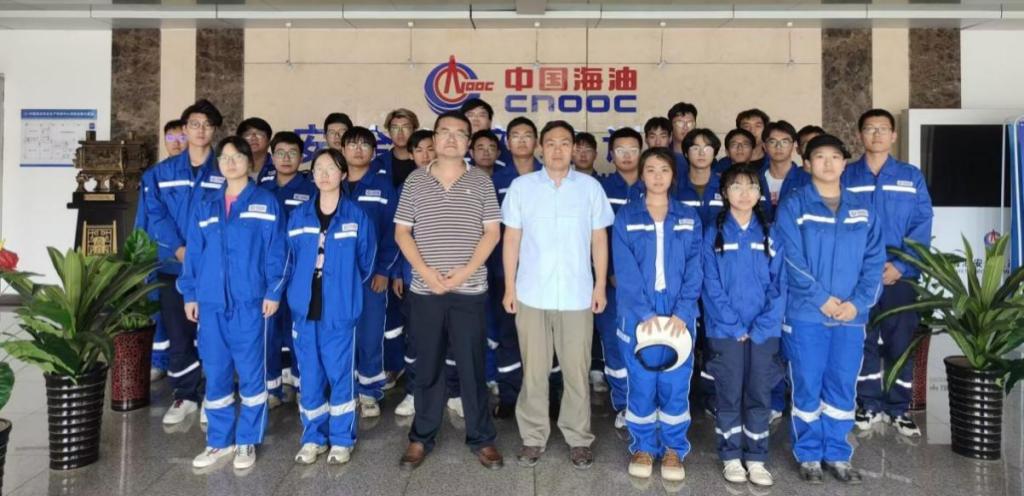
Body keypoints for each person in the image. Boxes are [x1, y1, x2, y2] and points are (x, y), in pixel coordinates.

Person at [502, 120, 614, 470]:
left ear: (574, 148)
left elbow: (599, 239)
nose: (557, 150)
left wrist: (599, 285)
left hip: (577, 294)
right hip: (531, 293)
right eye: (550, 143)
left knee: (576, 371)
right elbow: (511, 239)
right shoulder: (522, 187)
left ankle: (578, 439)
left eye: (565, 143)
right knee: (534, 370)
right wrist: (509, 286)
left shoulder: (590, 188)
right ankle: (533, 437)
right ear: (540, 147)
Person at [394, 111, 503, 470]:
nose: (452, 139)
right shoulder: (415, 181)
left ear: (469, 142)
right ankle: (421, 437)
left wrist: (464, 273)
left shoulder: (481, 181)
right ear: (435, 138)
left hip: (469, 290)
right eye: (445, 132)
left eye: (460, 133)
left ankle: (482, 438)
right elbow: (402, 232)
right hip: (425, 291)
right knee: (427, 366)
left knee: (472, 367)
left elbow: (492, 232)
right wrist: (426, 272)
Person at [774, 134, 884, 484]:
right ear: (807, 164)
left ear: (844, 163)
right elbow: (790, 258)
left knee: (842, 385)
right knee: (807, 383)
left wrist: (858, 303)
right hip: (807, 314)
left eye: (835, 157)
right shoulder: (794, 206)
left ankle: (837, 452)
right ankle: (808, 454)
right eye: (819, 157)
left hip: (850, 317)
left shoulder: (862, 209)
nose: (828, 163)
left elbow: (874, 261)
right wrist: (820, 298)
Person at [179, 135, 287, 470]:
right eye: (224, 157)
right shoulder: (206, 205)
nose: (230, 162)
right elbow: (194, 254)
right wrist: (190, 294)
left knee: (252, 375)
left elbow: (277, 251)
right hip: (211, 304)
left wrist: (273, 292)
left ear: (249, 162)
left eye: (237, 157)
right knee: (216, 373)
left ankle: (247, 440)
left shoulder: (265, 202)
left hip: (250, 303)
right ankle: (218, 442)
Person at [613, 148, 702, 482]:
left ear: (673, 175)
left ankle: (674, 449)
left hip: (679, 311)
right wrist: (644, 311)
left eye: (664, 169)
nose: (657, 176)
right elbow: (625, 269)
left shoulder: (688, 216)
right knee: (641, 382)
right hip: (639, 312)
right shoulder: (627, 216)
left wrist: (683, 310)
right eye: (650, 169)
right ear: (642, 175)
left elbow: (695, 266)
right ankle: (643, 447)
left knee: (675, 383)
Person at [845, 109, 933, 437]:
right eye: (870, 128)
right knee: (862, 339)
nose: (877, 134)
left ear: (894, 135)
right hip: (857, 277)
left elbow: (922, 224)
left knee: (900, 341)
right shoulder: (847, 176)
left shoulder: (911, 177)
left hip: (899, 275)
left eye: (883, 129)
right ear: (860, 135)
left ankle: (898, 408)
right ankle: (867, 404)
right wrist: (860, 268)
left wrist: (901, 266)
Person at [287, 148, 376, 466]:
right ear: (312, 175)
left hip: (339, 310)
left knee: (340, 375)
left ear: (343, 174)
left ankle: (341, 439)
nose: (324, 174)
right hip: (304, 309)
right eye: (319, 168)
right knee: (309, 376)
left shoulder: (357, 216)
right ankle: (313, 437)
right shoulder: (299, 215)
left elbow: (366, 262)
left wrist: (344, 289)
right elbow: (289, 259)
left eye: (331, 168)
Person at [139, 99, 224, 426]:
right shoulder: (160, 174)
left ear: (215, 131)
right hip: (173, 267)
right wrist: (178, 249)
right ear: (185, 129)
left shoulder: (226, 169)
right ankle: (185, 395)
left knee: (213, 333)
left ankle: (214, 395)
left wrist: (203, 253)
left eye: (207, 125)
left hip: (214, 269)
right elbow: (155, 214)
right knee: (178, 333)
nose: (201, 130)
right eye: (194, 124)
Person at [701, 164, 785, 487]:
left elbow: (780, 284)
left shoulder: (769, 233)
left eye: (751, 186)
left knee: (760, 393)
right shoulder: (714, 233)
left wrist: (763, 325)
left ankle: (757, 457)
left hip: (765, 331)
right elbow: (710, 284)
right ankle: (731, 456)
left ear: (760, 193)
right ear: (725, 193)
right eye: (736, 186)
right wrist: (733, 325)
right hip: (726, 331)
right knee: (729, 393)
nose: (744, 193)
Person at [341, 126, 400, 418]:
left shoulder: (383, 186)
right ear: (342, 150)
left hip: (371, 277)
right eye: (352, 144)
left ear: (373, 152)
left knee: (370, 335)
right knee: (340, 335)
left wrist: (384, 270)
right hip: (336, 277)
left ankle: (369, 392)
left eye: (364, 145)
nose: (358, 149)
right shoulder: (330, 183)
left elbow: (393, 232)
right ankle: (344, 390)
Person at [488, 116, 545, 419]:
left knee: (546, 337)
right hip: (505, 271)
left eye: (527, 135)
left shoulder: (551, 177)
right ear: (507, 143)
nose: (522, 141)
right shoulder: (495, 181)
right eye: (515, 136)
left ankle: (550, 395)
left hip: (544, 272)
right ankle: (510, 394)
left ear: (537, 142)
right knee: (508, 335)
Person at [260, 131, 318, 406]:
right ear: (271, 157)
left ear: (301, 157)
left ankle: (303, 385)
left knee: (300, 333)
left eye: (292, 153)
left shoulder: (312, 191)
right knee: (268, 333)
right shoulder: (261, 190)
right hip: (268, 274)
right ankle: (271, 389)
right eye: (280, 153)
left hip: (299, 274)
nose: (286, 158)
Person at [594, 126, 646, 429]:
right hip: (611, 284)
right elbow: (595, 236)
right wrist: (610, 272)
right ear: (611, 154)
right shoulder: (600, 189)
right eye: (620, 150)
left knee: (647, 341)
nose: (627, 156)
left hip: (648, 284)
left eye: (633, 150)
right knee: (614, 343)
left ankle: (646, 402)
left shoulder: (653, 186)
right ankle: (625, 404)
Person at [392, 129, 437, 418]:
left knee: (451, 339)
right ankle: (413, 391)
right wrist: (398, 272)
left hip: (450, 278)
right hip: (414, 278)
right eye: (418, 150)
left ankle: (453, 393)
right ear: (410, 154)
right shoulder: (405, 188)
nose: (425, 155)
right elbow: (398, 234)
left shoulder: (458, 182)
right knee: (416, 338)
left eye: (430, 148)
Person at [148, 119, 187, 382]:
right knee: (159, 311)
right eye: (170, 138)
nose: (176, 143)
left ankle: (192, 364)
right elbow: (150, 216)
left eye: (181, 137)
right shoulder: (155, 175)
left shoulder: (202, 174)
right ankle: (159, 361)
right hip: (162, 254)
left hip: (193, 255)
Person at [676, 128, 724, 227]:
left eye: (707, 148)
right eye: (695, 148)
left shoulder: (725, 185)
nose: (702, 153)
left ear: (714, 154)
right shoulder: (675, 186)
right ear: (686, 153)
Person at [373, 108, 419, 186]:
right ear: (389, 132)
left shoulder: (424, 160)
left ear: (414, 131)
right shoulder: (379, 162)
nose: (400, 132)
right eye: (395, 128)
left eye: (405, 127)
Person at [461, 98, 512, 167]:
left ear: (490, 122)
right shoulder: (453, 146)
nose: (475, 119)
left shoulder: (504, 145)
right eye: (470, 115)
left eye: (481, 115)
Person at [237, 117, 274, 183]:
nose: (253, 138)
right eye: (248, 135)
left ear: (269, 141)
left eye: (259, 134)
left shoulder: (278, 166)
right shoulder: (232, 166)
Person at [667, 102, 698, 171]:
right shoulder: (663, 154)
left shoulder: (703, 155)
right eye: (680, 123)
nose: (685, 127)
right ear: (670, 126)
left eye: (690, 123)